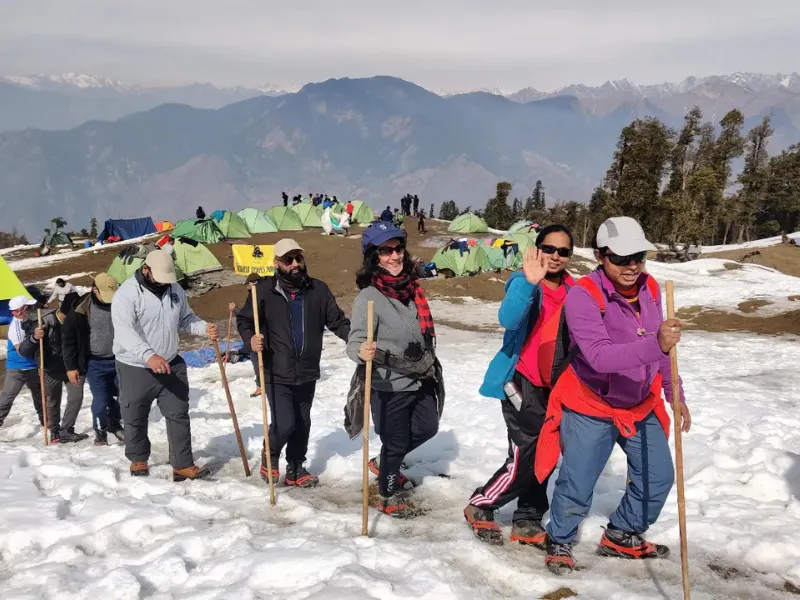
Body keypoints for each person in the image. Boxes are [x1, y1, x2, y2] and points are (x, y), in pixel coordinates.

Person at [537, 216, 691, 575]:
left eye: (638, 256)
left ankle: (622, 533)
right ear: (600, 255)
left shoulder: (651, 288)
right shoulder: (584, 296)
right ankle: (559, 536)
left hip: (640, 402)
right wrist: (655, 344)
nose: (632, 266)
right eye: (621, 258)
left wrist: (675, 392)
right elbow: (600, 357)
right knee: (579, 478)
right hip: (591, 401)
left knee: (658, 477)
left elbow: (665, 351)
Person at [464, 225, 575, 546]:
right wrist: (530, 281)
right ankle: (482, 503)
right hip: (521, 381)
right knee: (527, 450)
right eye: (549, 248)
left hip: (555, 387)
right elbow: (508, 319)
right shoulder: (523, 281)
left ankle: (527, 515)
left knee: (548, 450)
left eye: (563, 251)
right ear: (538, 249)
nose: (555, 256)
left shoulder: (575, 290)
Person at [347, 223, 443, 518]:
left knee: (428, 428)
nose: (394, 256)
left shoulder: (413, 289)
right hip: (389, 384)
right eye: (385, 251)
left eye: (398, 248)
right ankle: (387, 493)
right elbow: (354, 343)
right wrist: (362, 351)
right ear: (374, 257)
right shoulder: (369, 298)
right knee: (396, 441)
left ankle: (386, 460)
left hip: (422, 376)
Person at [237, 239, 350, 488]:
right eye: (288, 260)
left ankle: (296, 468)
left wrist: (356, 340)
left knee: (302, 422)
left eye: (298, 258)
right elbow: (244, 321)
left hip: (307, 370)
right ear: (276, 263)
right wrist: (250, 340)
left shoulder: (318, 290)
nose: (295, 264)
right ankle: (271, 453)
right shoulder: (264, 291)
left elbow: (338, 322)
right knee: (285, 422)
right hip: (276, 370)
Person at [112, 249, 218, 480]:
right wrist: (149, 355)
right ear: (146, 270)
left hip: (170, 362)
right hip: (135, 366)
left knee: (178, 413)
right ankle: (138, 458)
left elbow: (186, 319)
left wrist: (203, 328)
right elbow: (125, 332)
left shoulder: (174, 289)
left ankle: (182, 464)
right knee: (135, 415)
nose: (164, 283)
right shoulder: (127, 294)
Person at [18, 293, 90, 443]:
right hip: (50, 369)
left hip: (74, 367)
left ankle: (66, 430)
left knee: (76, 398)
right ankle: (55, 430)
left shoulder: (80, 320)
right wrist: (34, 338)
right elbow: (24, 351)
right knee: (53, 401)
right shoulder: (43, 322)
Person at [62, 273, 124, 446]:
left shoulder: (121, 303)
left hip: (119, 359)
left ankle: (113, 421)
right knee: (101, 400)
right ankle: (101, 431)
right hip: (94, 363)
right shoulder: (79, 311)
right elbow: (68, 342)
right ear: (94, 290)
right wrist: (71, 367)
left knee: (126, 395)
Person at [0, 296, 45, 430]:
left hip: (33, 367)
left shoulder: (28, 321)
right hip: (18, 369)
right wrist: (35, 338)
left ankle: (46, 423)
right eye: (28, 307)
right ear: (21, 310)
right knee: (7, 399)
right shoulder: (15, 328)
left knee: (40, 397)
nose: (31, 310)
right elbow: (22, 351)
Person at [227, 273, 262, 397]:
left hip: (255, 335)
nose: (247, 286)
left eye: (248, 284)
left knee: (257, 360)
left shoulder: (256, 295)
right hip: (256, 333)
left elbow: (248, 313)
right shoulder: (257, 294)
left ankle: (260, 385)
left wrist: (235, 310)